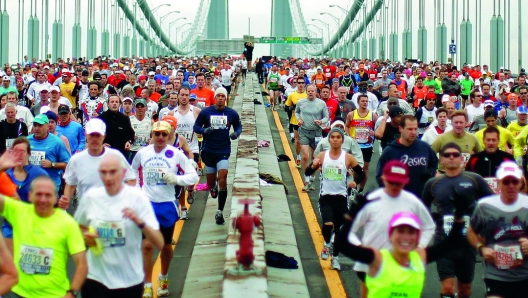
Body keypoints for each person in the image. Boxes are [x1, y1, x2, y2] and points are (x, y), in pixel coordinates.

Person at [74, 153, 164, 298]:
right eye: (104, 173)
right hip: (96, 277)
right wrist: (85, 237)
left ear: (123, 173)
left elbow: (159, 242)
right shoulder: (91, 198)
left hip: (129, 280)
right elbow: (78, 228)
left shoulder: (137, 198)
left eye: (113, 172)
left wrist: (139, 222)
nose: (108, 177)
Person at [348, 161, 436, 298]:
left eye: (398, 183)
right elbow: (350, 231)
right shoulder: (371, 200)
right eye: (391, 182)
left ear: (406, 181)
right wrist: (360, 248)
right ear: (383, 178)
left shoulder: (412, 202)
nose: (395, 186)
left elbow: (429, 227)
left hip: (401, 266)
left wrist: (420, 246)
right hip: (370, 265)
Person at [132, 120, 199, 298]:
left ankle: (163, 276)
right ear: (152, 135)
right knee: (146, 245)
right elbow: (132, 174)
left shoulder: (175, 154)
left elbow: (193, 176)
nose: (160, 137)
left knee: (166, 245)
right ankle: (147, 283)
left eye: (164, 134)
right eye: (157, 134)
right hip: (148, 203)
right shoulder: (142, 153)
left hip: (167, 203)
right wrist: (138, 193)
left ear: (169, 135)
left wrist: (176, 179)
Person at [0, 169, 87, 298]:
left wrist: (72, 293)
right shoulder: (18, 211)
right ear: (30, 196)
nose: (43, 199)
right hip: (18, 293)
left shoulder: (67, 223)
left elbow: (82, 263)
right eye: (38, 194)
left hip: (53, 294)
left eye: (48, 195)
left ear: (54, 198)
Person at [422, 143, 494, 298]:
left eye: (455, 155)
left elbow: (492, 205)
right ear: (442, 159)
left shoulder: (474, 179)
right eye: (447, 155)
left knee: (465, 290)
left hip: (468, 243)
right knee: (447, 288)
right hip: (443, 242)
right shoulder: (432, 183)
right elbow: (422, 210)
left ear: (462, 159)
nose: (451, 158)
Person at [305, 127, 365, 270]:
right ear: (329, 139)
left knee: (339, 231)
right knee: (328, 224)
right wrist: (313, 166)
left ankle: (335, 259)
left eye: (338, 137)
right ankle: (326, 244)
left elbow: (361, 174)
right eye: (333, 137)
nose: (336, 139)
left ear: (342, 140)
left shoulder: (348, 158)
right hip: (326, 196)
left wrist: (355, 182)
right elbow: (308, 172)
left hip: (342, 198)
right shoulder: (322, 156)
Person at [467, 161, 528, 298]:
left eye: (515, 181)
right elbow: (471, 232)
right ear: (498, 183)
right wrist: (481, 248)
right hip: (496, 275)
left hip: (524, 274)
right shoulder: (484, 206)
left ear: (521, 182)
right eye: (506, 182)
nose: (511, 186)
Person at [59, 118, 136, 210]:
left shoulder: (116, 156)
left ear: (104, 136)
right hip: (86, 213)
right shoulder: (76, 160)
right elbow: (70, 184)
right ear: (86, 135)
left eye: (98, 135)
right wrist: (65, 202)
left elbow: (131, 179)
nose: (94, 139)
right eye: (92, 135)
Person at [193, 87, 242, 224]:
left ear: (226, 98)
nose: (220, 98)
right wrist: (204, 130)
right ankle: (212, 186)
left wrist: (235, 134)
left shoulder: (231, 113)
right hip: (208, 150)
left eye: (222, 96)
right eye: (218, 96)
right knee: (210, 183)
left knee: (223, 177)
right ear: (215, 97)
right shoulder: (206, 112)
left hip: (223, 150)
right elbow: (196, 127)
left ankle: (220, 211)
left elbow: (238, 126)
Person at [2, 137, 48, 253]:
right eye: (16, 151)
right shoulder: (5, 176)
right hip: (10, 226)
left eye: (22, 151)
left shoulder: (39, 174)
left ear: (28, 154)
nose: (19, 155)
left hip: (34, 226)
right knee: (12, 266)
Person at [376, 115, 438, 198]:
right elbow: (380, 175)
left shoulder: (424, 147)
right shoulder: (390, 151)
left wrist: (429, 175)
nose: (413, 132)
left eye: (415, 129)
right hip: (398, 198)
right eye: (410, 129)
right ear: (401, 129)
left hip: (422, 198)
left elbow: (434, 165)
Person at [295, 84, 329, 191]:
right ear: (306, 91)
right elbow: (296, 112)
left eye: (312, 91)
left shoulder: (321, 103)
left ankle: (312, 177)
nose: (310, 93)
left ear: (315, 92)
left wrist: (321, 121)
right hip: (304, 131)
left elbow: (326, 117)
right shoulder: (301, 102)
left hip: (316, 132)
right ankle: (306, 178)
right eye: (308, 91)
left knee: (315, 158)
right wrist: (299, 119)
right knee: (305, 156)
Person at [27, 114, 71, 193]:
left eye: (40, 125)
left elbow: (68, 165)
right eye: (35, 125)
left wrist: (52, 164)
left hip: (50, 185)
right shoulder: (26, 141)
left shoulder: (57, 142)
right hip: (30, 185)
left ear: (47, 126)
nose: (37, 128)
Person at [346, 94, 376, 192]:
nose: (365, 103)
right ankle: (354, 186)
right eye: (363, 101)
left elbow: (379, 126)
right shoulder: (351, 114)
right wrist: (349, 135)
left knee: (365, 169)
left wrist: (374, 133)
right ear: (358, 102)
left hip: (367, 145)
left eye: (366, 101)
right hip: (355, 145)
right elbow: (347, 126)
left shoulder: (372, 115)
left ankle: (361, 189)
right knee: (356, 168)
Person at [285, 77, 308, 167]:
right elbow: (286, 108)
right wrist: (292, 108)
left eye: (302, 83)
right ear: (296, 84)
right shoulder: (292, 95)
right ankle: (298, 156)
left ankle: (305, 157)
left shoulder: (308, 94)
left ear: (305, 84)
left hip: (307, 121)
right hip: (296, 121)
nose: (301, 85)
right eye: (299, 83)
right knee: (298, 141)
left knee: (306, 141)